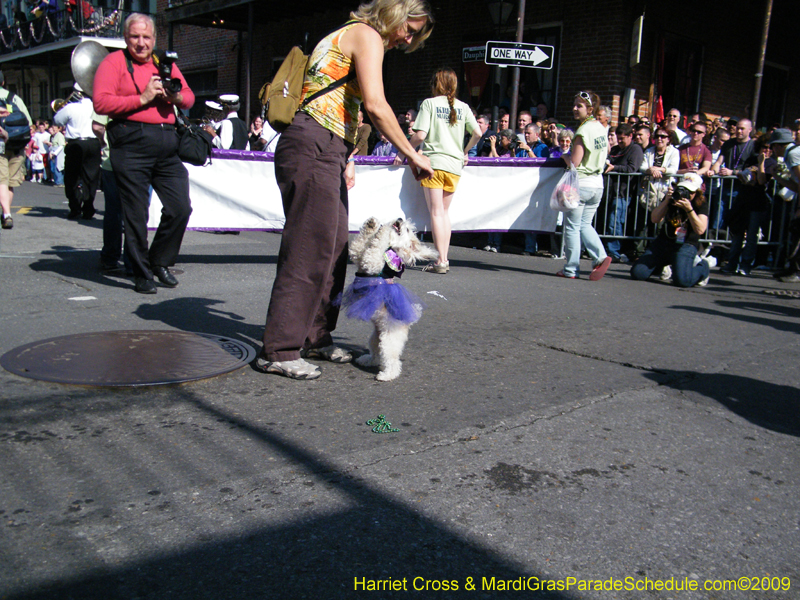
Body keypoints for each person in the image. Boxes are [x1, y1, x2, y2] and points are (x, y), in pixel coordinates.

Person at [257, 0, 435, 380]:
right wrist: (412, 154)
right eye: (409, 26)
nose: (407, 38)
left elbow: (341, 102)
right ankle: (281, 348)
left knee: (333, 246)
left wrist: (347, 154)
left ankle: (315, 337)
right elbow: (376, 104)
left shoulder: (347, 35)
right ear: (393, 12)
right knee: (309, 248)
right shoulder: (366, 34)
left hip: (325, 146)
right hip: (314, 144)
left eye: (415, 34)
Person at [93, 13, 195, 294]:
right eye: (135, 37)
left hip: (166, 143)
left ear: (154, 38)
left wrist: (174, 98)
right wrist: (143, 98)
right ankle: (141, 272)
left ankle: (159, 260)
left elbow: (188, 96)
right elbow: (101, 102)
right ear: (126, 38)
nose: (141, 43)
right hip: (130, 142)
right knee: (136, 214)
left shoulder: (164, 62)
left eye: (146, 37)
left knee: (180, 207)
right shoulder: (113, 63)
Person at [399, 67, 480, 274]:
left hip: (433, 163)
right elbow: (478, 132)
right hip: (454, 165)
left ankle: (440, 261)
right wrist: (465, 150)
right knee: (444, 213)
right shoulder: (463, 107)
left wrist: (404, 151)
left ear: (436, 84)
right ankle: (443, 259)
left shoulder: (429, 104)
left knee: (436, 212)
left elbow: (419, 135)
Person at [558, 90, 611, 280]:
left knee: (572, 226)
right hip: (598, 184)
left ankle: (571, 269)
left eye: (579, 105)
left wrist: (565, 157)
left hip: (582, 183)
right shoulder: (600, 128)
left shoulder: (582, 131)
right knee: (585, 224)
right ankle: (600, 256)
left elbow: (575, 162)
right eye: (574, 104)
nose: (574, 108)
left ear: (590, 109)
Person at [630, 173, 715, 287]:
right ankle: (663, 267)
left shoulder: (701, 203)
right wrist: (666, 201)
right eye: (682, 189)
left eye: (689, 191)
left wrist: (689, 209)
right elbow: (655, 219)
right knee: (638, 273)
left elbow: (700, 230)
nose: (684, 194)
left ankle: (703, 267)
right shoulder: (672, 197)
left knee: (683, 281)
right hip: (665, 241)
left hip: (686, 245)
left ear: (697, 192)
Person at [720, 136, 776, 276]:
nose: (767, 150)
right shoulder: (751, 159)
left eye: (769, 148)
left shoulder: (771, 163)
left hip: (758, 202)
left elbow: (762, 181)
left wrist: (761, 164)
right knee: (737, 234)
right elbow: (744, 178)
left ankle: (745, 265)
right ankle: (732, 263)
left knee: (751, 236)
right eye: (764, 147)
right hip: (743, 200)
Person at [54, 83, 103, 219]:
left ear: (78, 93)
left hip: (76, 143)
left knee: (71, 177)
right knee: (91, 178)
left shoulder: (71, 107)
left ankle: (75, 207)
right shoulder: (97, 106)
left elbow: (57, 120)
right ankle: (88, 208)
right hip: (93, 142)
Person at [604, 123, 643, 263]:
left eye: (622, 139)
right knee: (609, 222)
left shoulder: (635, 149)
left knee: (615, 222)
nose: (619, 141)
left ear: (630, 136)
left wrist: (614, 167)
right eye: (618, 138)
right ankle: (610, 250)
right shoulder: (614, 149)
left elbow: (632, 168)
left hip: (624, 193)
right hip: (610, 191)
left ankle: (614, 252)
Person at [0, 70, 32, 230]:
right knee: (10, 182)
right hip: (17, 144)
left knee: (1, 181)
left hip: (0, 144)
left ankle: (7, 214)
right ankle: (5, 213)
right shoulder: (14, 98)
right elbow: (29, 123)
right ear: (3, 82)